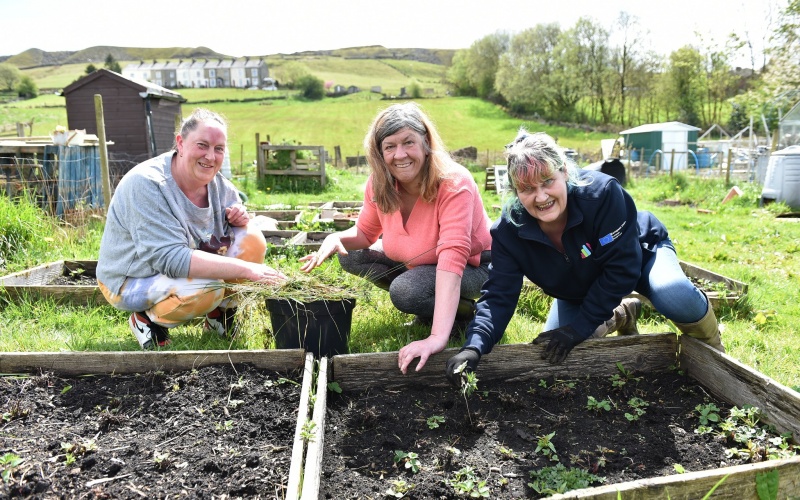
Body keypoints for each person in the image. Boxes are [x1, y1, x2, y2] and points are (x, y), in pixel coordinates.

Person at [446, 129, 725, 383]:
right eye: (527, 189)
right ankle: (621, 314)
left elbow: (622, 269)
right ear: (516, 191)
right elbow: (499, 295)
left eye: (547, 181)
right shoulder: (509, 232)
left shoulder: (602, 195)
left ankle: (715, 350)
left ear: (564, 172)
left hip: (639, 254)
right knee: (555, 354)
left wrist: (580, 327)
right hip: (579, 287)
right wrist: (474, 346)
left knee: (674, 294)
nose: (541, 197)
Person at [299, 102, 492, 374]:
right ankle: (429, 307)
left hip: (475, 267)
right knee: (349, 255)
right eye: (389, 146)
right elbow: (365, 234)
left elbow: (452, 257)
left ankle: (464, 314)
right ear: (379, 152)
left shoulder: (453, 183)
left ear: (426, 142)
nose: (400, 155)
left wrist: (437, 338)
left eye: (408, 142)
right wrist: (335, 238)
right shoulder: (381, 183)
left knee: (406, 291)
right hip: (422, 264)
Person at [97, 108, 286, 349]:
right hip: (131, 278)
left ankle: (220, 315)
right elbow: (170, 258)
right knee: (208, 286)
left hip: (178, 266)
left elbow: (234, 222)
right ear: (181, 144)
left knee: (252, 241)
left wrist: (240, 218)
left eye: (218, 149)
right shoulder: (147, 184)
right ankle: (147, 320)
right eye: (202, 145)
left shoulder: (218, 184)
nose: (210, 156)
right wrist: (249, 271)